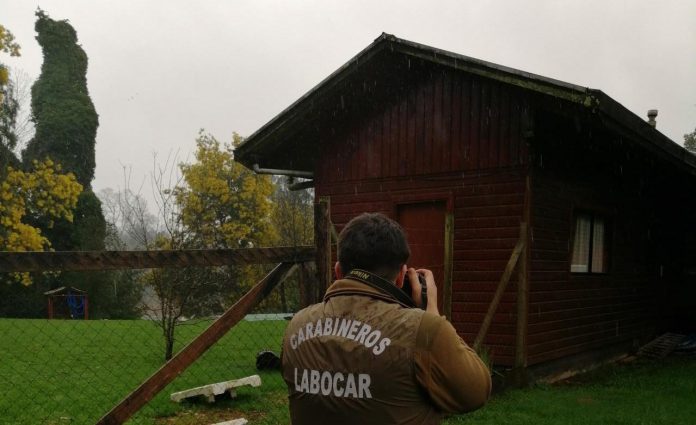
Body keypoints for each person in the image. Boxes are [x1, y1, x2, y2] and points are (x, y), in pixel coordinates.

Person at [281, 212, 491, 424]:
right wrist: (433, 315)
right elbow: (476, 392)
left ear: (338, 272)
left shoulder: (296, 326)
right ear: (400, 277)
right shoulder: (422, 330)